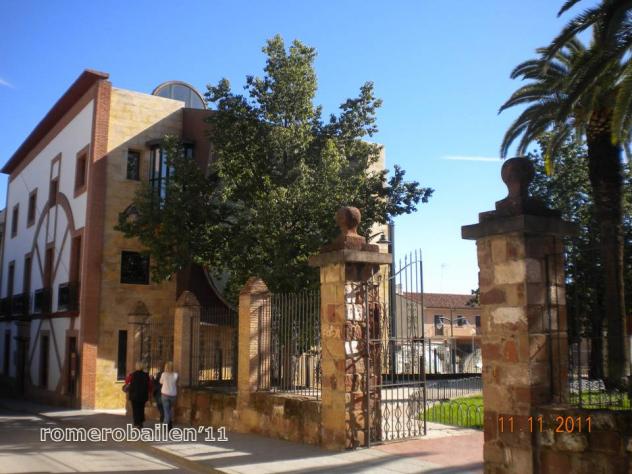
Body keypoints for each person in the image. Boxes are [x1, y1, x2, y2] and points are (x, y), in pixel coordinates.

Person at [125, 362, 153, 429]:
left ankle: (137, 423)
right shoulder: (146, 375)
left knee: (135, 410)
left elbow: (127, 382)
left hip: (134, 395)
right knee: (141, 408)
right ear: (142, 367)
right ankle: (141, 422)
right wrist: (149, 392)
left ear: (136, 367)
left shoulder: (132, 375)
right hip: (143, 395)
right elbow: (149, 385)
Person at [159, 361, 178, 431]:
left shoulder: (164, 374)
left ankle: (165, 423)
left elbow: (160, 382)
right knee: (170, 409)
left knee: (166, 410)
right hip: (173, 395)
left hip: (165, 394)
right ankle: (169, 425)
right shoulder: (175, 375)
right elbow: (175, 382)